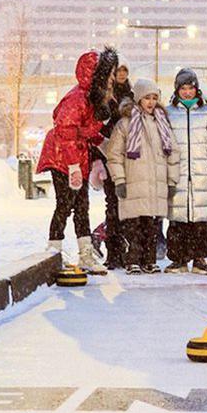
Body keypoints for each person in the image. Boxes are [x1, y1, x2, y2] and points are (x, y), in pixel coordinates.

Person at [38, 49, 112, 273]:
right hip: (61, 156)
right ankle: (53, 253)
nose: (110, 79)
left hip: (77, 155)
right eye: (106, 74)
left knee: (82, 206)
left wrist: (101, 138)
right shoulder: (77, 98)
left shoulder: (91, 98)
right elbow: (66, 132)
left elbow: (84, 131)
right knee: (65, 204)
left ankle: (86, 255)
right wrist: (72, 167)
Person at [106, 78, 180, 273]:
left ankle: (149, 259)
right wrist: (119, 180)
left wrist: (171, 180)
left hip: (155, 185)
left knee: (151, 226)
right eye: (147, 97)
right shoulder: (126, 124)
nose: (151, 102)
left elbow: (173, 153)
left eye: (154, 98)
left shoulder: (161, 123)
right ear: (138, 99)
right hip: (134, 183)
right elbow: (114, 155)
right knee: (133, 226)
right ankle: (132, 260)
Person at [166, 68, 207, 274]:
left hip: (202, 174)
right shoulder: (169, 113)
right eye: (183, 88)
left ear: (197, 89)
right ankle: (178, 259)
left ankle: (199, 259)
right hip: (178, 174)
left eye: (191, 88)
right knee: (178, 219)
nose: (187, 92)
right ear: (177, 90)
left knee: (201, 221)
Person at [92, 48, 130, 269]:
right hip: (108, 156)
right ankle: (113, 250)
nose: (120, 75)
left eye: (124, 70)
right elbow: (97, 129)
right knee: (113, 204)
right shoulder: (103, 95)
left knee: (123, 205)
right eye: (118, 71)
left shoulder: (131, 93)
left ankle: (121, 248)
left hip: (125, 156)